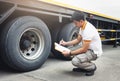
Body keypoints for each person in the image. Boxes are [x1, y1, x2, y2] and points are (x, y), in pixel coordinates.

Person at [59, 11, 103, 76]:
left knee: (75, 61)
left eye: (75, 23)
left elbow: (84, 49)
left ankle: (91, 67)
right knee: (69, 49)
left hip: (93, 52)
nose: (74, 24)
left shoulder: (88, 30)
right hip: (87, 48)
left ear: (81, 21)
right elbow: (77, 40)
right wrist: (65, 43)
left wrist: (70, 53)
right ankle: (83, 66)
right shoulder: (82, 26)